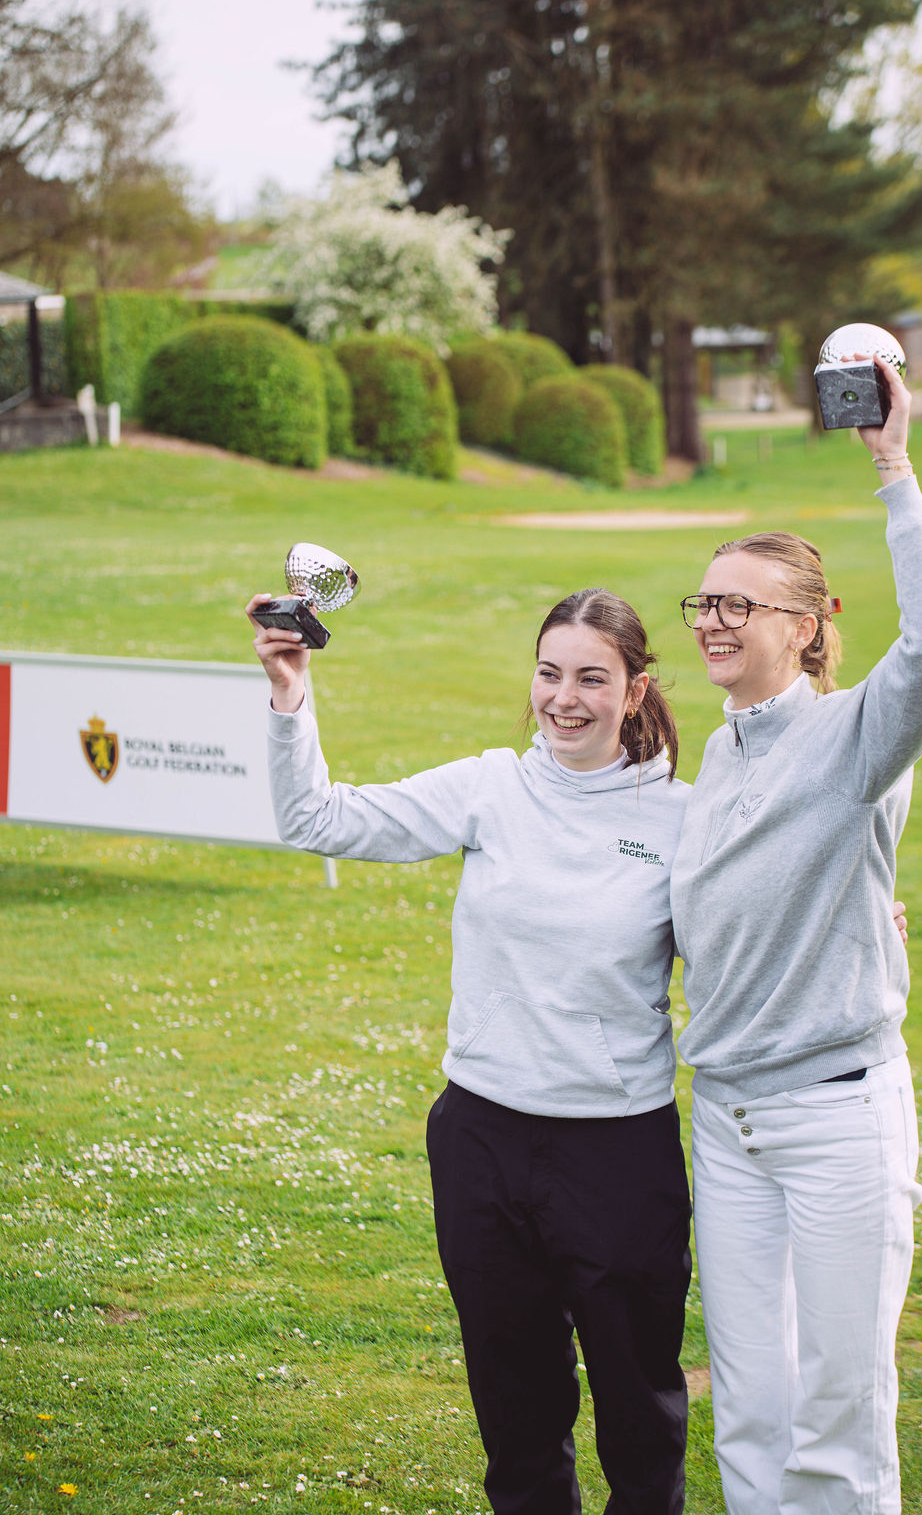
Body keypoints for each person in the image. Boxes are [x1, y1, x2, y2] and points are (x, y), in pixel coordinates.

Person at [247, 585, 694, 1515]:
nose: (564, 698)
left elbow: (752, 947)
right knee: (515, 1401)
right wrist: (290, 693)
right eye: (549, 673)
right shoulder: (492, 785)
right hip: (483, 1141)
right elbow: (316, 821)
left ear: (636, 691)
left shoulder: (685, 820)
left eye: (592, 679)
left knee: (639, 1406)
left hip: (617, 1150)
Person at [669, 355, 922, 1515]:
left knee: (839, 1410)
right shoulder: (716, 751)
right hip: (727, 1120)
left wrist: (893, 469)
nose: (713, 622)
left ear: (805, 628)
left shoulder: (852, 738)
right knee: (752, 1407)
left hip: (837, 1115)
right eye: (705, 602)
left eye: (738, 606)